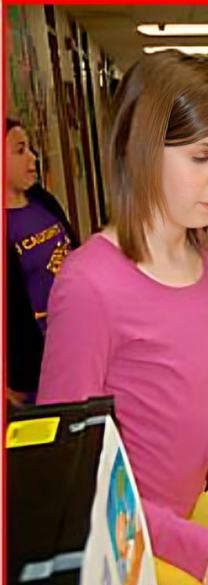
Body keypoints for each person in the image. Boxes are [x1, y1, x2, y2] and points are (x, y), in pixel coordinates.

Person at [37, 51, 208, 585]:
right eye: (201, 156)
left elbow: (190, 395)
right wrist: (196, 550)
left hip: (187, 536)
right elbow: (68, 470)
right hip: (122, 557)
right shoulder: (90, 283)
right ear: (138, 150)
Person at [5, 119, 79, 406]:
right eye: (20, 150)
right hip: (38, 370)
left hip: (79, 339)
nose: (32, 158)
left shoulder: (42, 201)